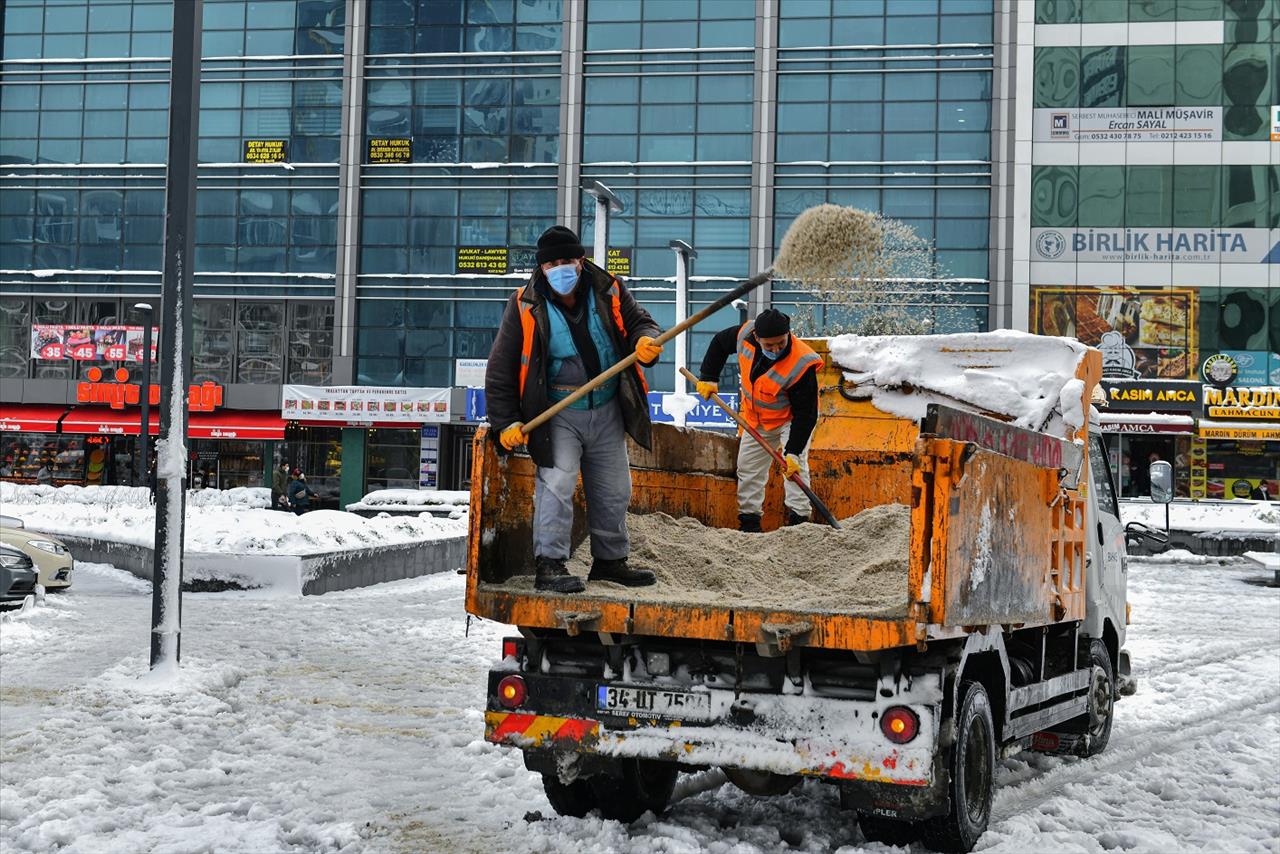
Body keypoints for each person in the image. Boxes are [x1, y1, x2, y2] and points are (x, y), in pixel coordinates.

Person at [485, 225, 664, 594]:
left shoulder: (608, 289)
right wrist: (506, 422)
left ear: (580, 261)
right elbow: (501, 368)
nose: (559, 268)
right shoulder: (524, 304)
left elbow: (637, 321)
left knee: (615, 488)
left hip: (608, 405)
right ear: (541, 268)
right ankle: (549, 564)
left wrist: (645, 338)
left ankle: (610, 562)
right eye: (551, 263)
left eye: (566, 260)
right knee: (558, 482)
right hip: (558, 411)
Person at [695, 308, 823, 532]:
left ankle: (799, 523)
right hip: (756, 419)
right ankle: (750, 523)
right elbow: (719, 343)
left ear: (788, 335)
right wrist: (709, 376)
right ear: (757, 338)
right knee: (748, 469)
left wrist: (792, 451)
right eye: (769, 345)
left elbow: (806, 414)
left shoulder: (801, 363)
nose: (776, 349)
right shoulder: (744, 335)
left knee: (795, 469)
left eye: (781, 343)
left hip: (790, 421)